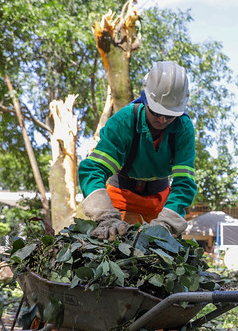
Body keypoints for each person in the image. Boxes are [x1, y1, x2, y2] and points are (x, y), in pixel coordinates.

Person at [78, 61, 197, 239]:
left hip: (160, 203)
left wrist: (167, 223)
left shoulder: (183, 128)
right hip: (120, 198)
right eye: (156, 112)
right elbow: (92, 170)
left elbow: (184, 182)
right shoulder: (124, 122)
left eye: (170, 115)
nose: (163, 119)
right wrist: (105, 215)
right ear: (146, 98)